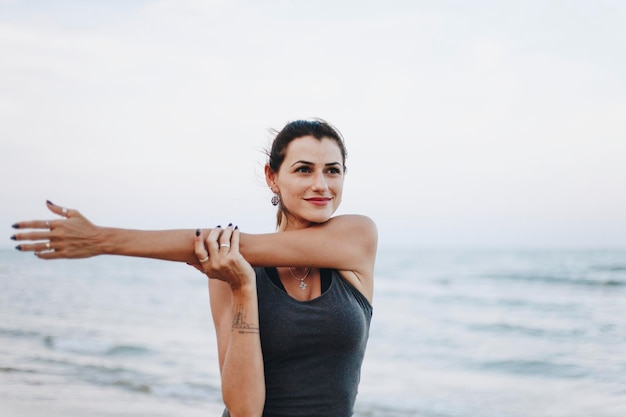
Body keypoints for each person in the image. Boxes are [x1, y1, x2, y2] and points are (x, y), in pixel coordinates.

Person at [11, 119, 378, 417]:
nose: (321, 185)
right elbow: (245, 410)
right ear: (272, 177)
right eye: (303, 170)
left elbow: (233, 244)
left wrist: (100, 240)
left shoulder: (357, 237)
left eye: (333, 170)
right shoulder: (229, 269)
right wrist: (244, 290)